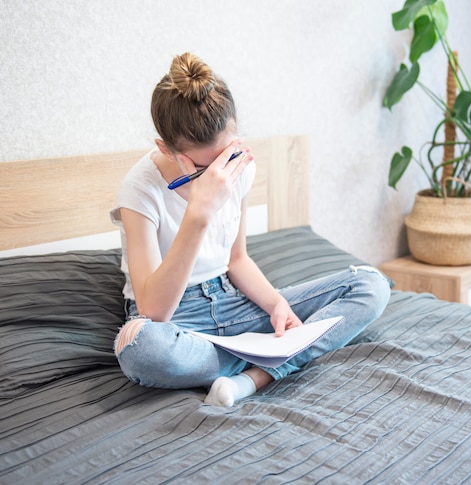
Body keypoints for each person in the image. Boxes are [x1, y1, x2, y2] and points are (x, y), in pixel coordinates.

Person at [110, 52, 390, 407]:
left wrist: (276, 304)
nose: (222, 174)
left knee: (371, 285)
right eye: (205, 166)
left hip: (232, 304)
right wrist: (199, 212)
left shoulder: (239, 169)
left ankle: (254, 377)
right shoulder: (140, 189)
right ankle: (276, 358)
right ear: (167, 149)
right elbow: (154, 311)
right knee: (140, 347)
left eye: (228, 155)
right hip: (176, 321)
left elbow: (237, 259)